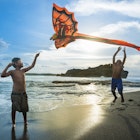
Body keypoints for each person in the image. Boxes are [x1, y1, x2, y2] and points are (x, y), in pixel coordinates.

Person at [1, 53, 40, 127]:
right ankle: (13, 123)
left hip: (23, 93)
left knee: (24, 108)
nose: (22, 62)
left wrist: (35, 57)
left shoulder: (23, 71)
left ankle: (25, 121)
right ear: (15, 63)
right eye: (20, 61)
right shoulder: (12, 72)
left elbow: (32, 66)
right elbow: (2, 75)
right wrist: (8, 66)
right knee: (14, 109)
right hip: (15, 94)